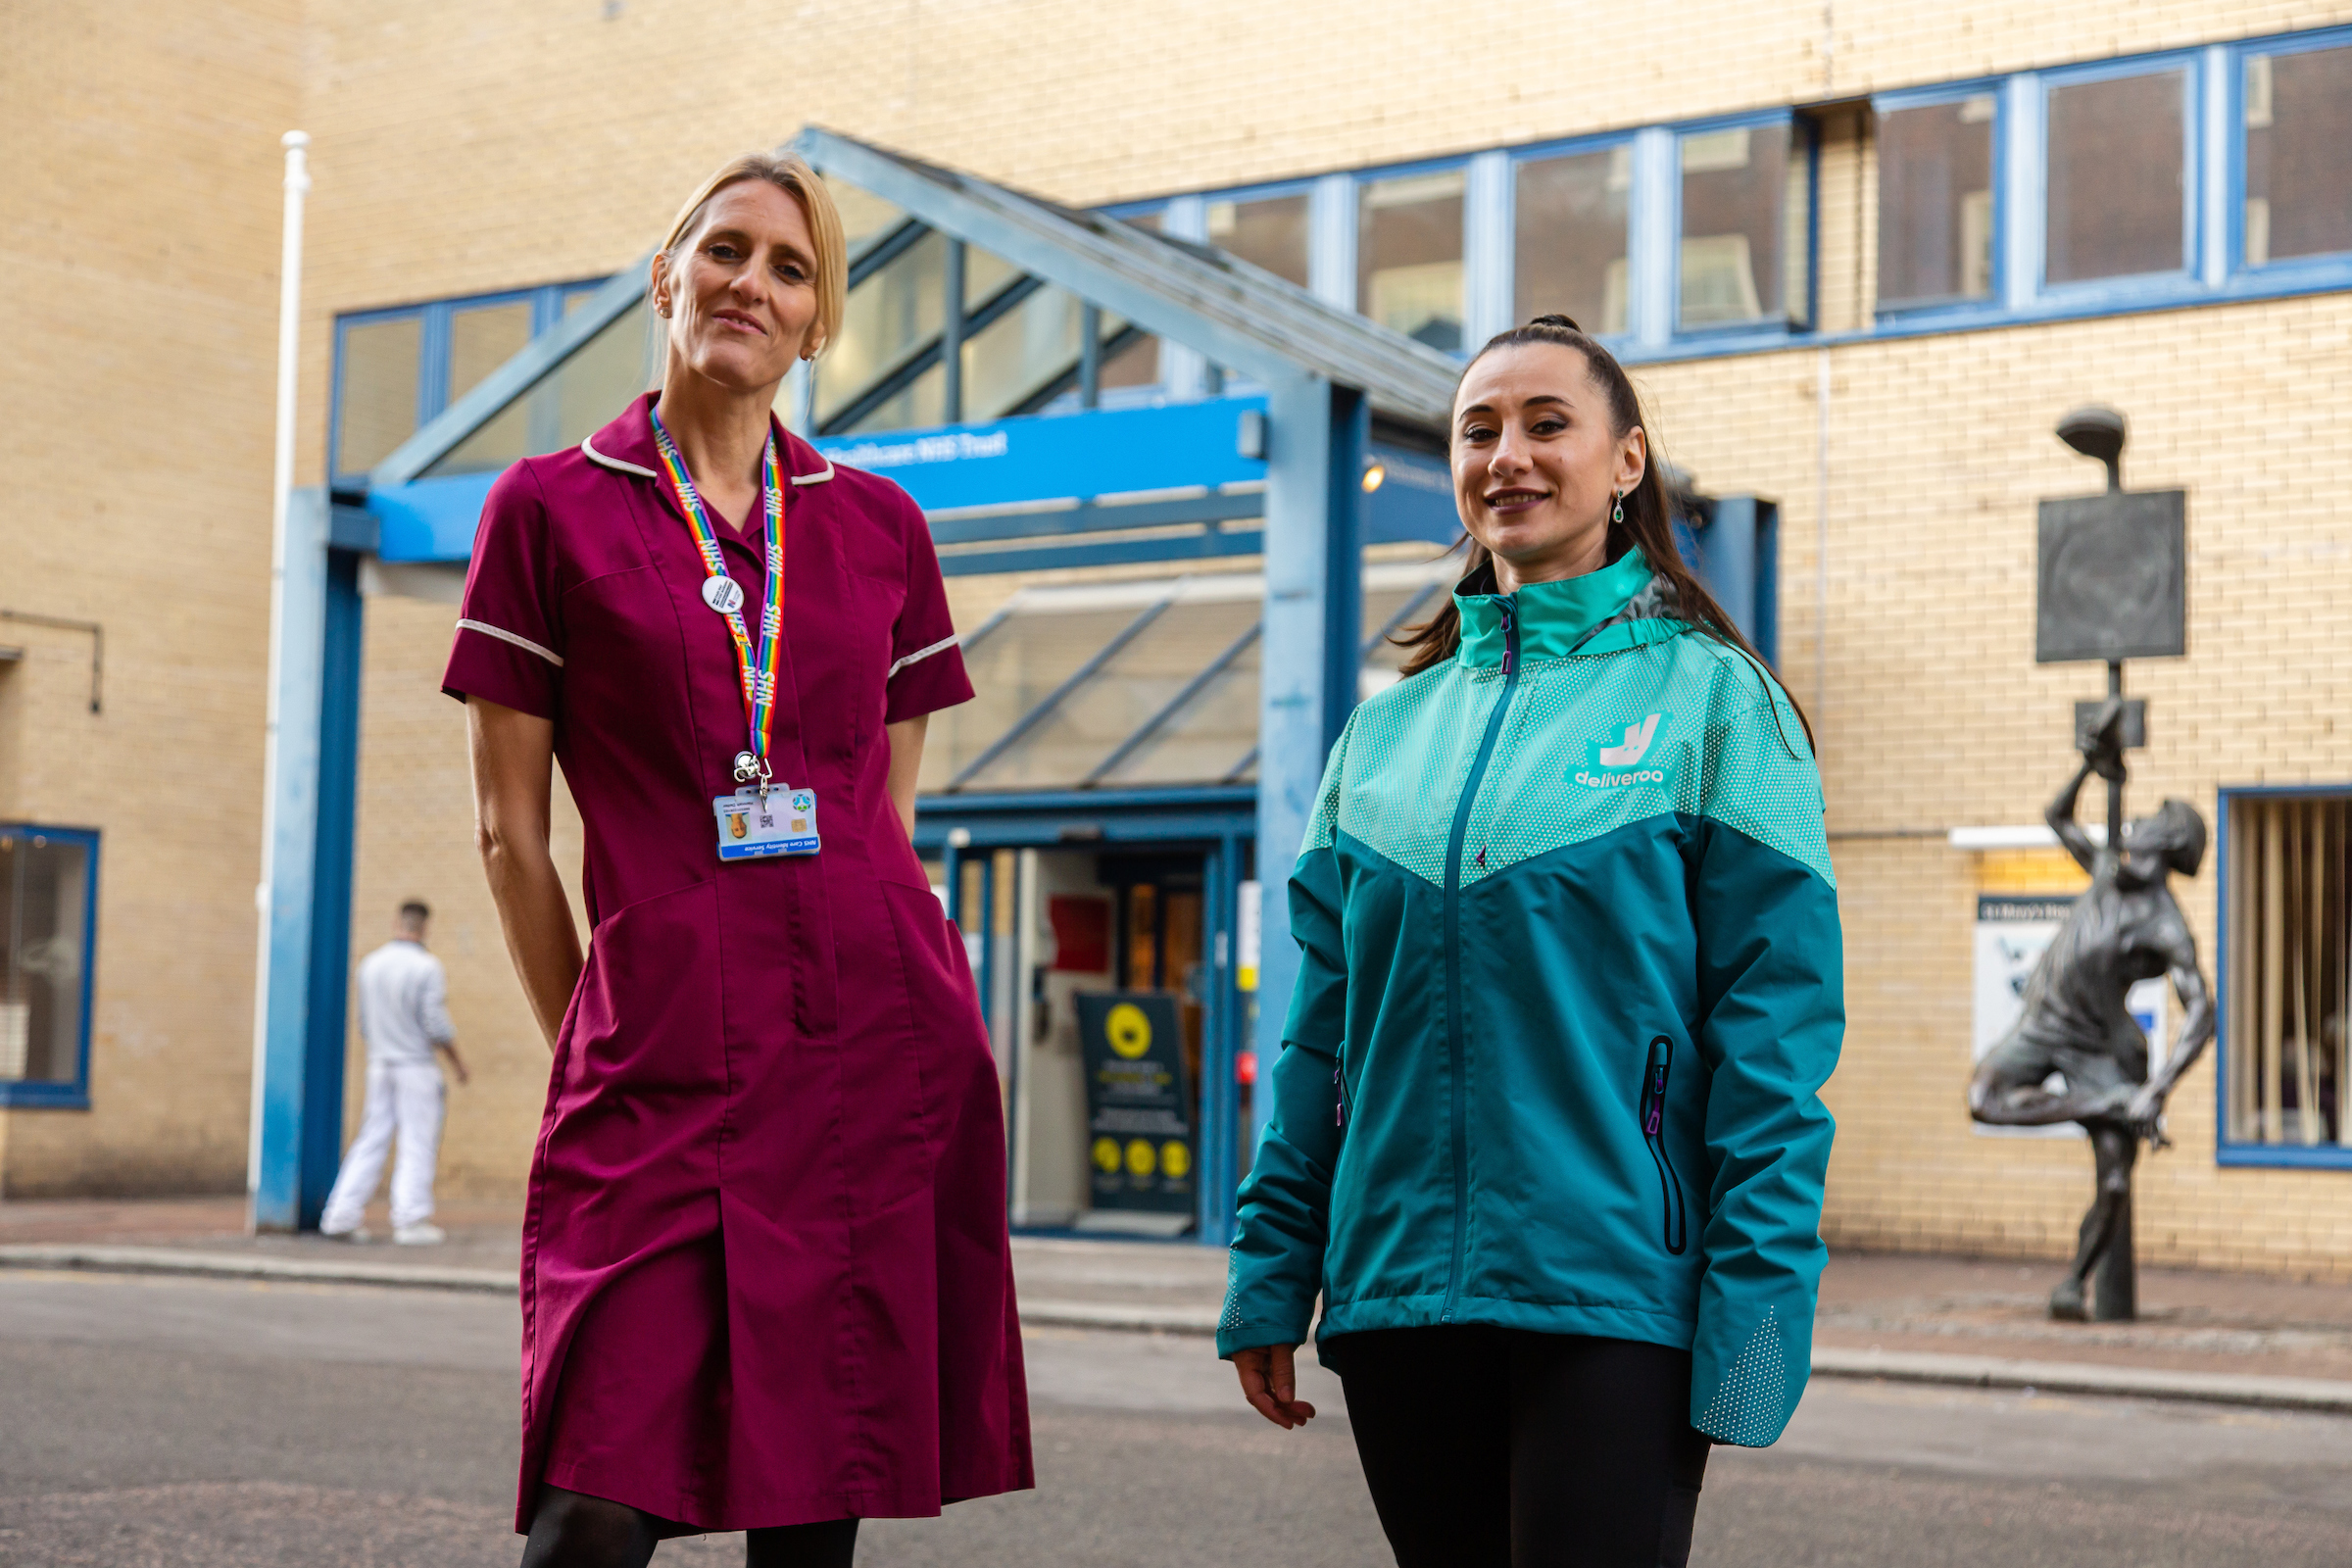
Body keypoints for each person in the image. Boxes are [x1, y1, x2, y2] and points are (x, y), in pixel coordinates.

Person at [442, 152, 1031, 1568]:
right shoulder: (545, 506)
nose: (748, 285)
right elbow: (509, 835)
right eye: (724, 250)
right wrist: (596, 1022)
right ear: (667, 275)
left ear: (820, 320)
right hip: (658, 1054)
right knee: (596, 1494)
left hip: (862, 1050)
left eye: (790, 267)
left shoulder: (881, 525)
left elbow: (878, 817)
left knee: (815, 1487)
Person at [1217, 316, 1845, 1567]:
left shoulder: (1721, 703)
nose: (1508, 453)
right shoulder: (1382, 736)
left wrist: (1757, 1311)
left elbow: (1775, 1046)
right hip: (1398, 1292)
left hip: (1613, 1294)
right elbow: (1316, 1042)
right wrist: (1271, 1267)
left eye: (1547, 423)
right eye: (1479, 428)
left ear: (1626, 463)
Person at [1968, 699, 2214, 1319]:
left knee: (2113, 1180)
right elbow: (2057, 815)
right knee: (1985, 1098)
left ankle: (2072, 1285)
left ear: (2171, 841)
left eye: (2157, 818)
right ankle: (2109, 1107)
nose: (2141, 820)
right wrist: (2088, 764)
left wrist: (2155, 1091)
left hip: (2107, 1051)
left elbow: (2203, 1009)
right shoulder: (2107, 869)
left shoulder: (2164, 924)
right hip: (2044, 1027)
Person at [319, 900, 469, 1246]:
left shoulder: (369, 965)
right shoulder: (426, 966)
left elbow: (363, 1022)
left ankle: (339, 1214)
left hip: (380, 1064)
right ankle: (411, 1219)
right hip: (415, 1065)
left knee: (372, 1138)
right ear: (424, 927)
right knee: (418, 1140)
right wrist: (458, 1062)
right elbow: (435, 1023)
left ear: (396, 922)